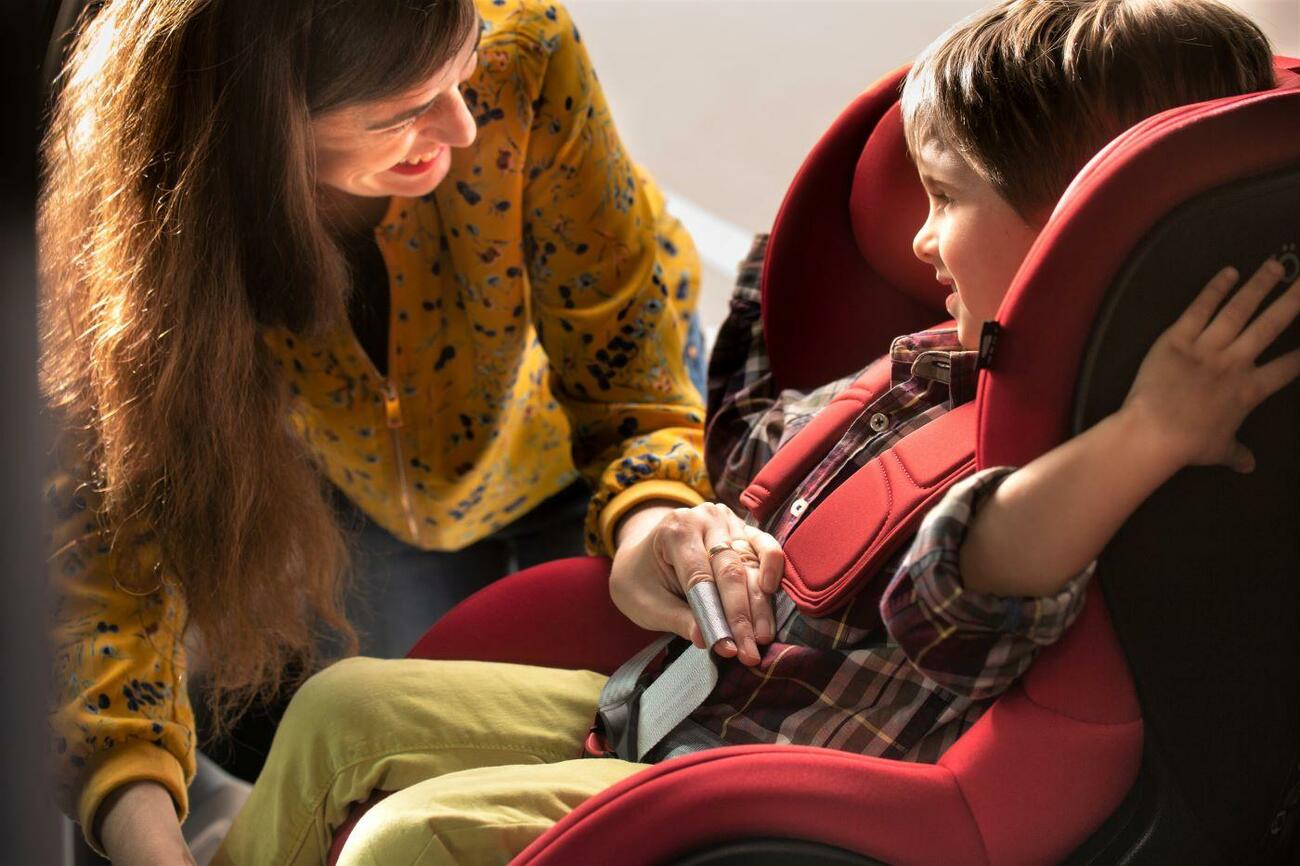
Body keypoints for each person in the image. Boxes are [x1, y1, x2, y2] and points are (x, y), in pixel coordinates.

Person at [210, 0, 1295, 862]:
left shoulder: (1085, 441)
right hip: (679, 692)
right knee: (339, 705)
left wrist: (1147, 433)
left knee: (407, 838)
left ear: (1072, 227)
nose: (922, 239)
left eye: (948, 199)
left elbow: (970, 577)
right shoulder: (944, 360)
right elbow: (770, 447)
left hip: (754, 766)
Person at [39, 0, 726, 862]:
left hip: (576, 444)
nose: (463, 126)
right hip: (373, 494)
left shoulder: (525, 51)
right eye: (402, 111)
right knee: (403, 759)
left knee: (620, 742)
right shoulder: (143, 233)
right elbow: (110, 552)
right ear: (253, 125)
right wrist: (148, 838)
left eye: (463, 70)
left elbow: (632, 377)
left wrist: (653, 515)